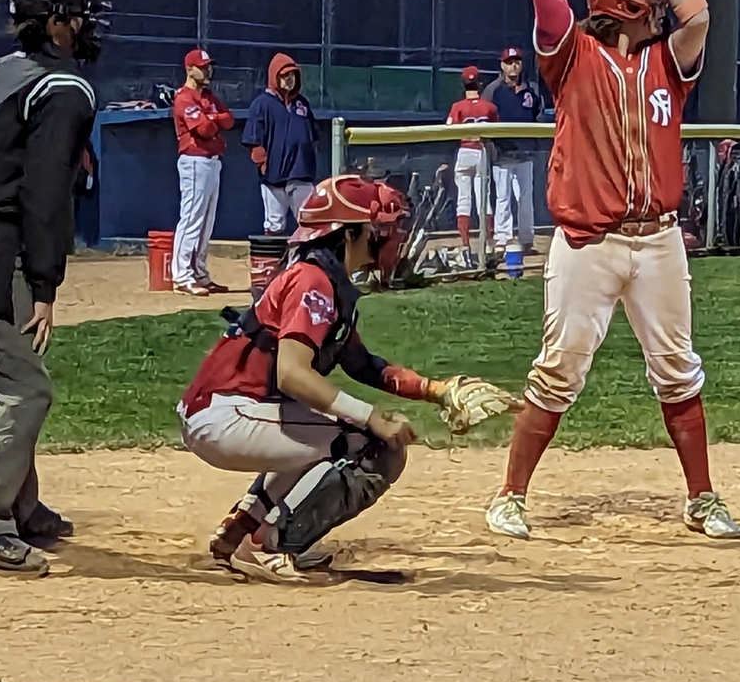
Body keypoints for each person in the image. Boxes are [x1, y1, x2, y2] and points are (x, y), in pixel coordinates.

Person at [485, 0, 740, 542]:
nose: (660, 8)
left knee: (678, 368)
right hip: (588, 243)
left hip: (657, 239)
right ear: (627, 4)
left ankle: (702, 498)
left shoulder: (666, 61)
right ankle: (510, 496)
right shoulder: (572, 55)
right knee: (559, 368)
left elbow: (699, 13)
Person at [177, 174, 521, 583]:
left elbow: (361, 364)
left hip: (232, 411)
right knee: (370, 443)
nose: (386, 236)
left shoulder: (324, 277)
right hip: (227, 416)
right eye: (377, 229)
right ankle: (270, 544)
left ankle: (239, 533)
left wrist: (436, 391)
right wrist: (371, 416)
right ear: (348, 234)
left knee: (332, 434)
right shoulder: (312, 280)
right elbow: (291, 373)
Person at [0, 0, 109, 575]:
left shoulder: (4, 71)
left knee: (2, 380)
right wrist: (44, 284)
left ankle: (20, 506)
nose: (86, 23)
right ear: (57, 24)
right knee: (22, 390)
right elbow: (45, 193)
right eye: (78, 13)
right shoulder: (63, 88)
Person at [170, 48, 235, 296]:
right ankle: (181, 275)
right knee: (191, 219)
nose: (208, 70)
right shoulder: (184, 98)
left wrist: (213, 116)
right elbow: (205, 130)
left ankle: (198, 272)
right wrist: (213, 119)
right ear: (190, 69)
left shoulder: (208, 96)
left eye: (209, 66)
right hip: (194, 162)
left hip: (212, 161)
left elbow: (228, 120)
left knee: (206, 222)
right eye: (203, 66)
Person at [242, 53, 318, 236]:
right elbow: (253, 139)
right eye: (284, 75)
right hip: (274, 177)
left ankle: (308, 262)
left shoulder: (302, 104)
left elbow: (313, 135)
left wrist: (310, 155)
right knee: (275, 224)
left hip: (301, 174)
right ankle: (273, 263)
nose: (289, 80)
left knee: (310, 221)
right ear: (274, 76)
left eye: (292, 75)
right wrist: (263, 163)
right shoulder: (261, 104)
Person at [482, 47, 542, 254]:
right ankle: (503, 237)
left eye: (516, 61)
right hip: (503, 152)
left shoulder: (531, 89)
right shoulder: (493, 90)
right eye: (509, 61)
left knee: (526, 198)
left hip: (526, 150)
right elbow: (484, 117)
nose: (513, 65)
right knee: (503, 197)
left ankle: (526, 239)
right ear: (502, 65)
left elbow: (538, 114)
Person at [446, 66, 498, 269]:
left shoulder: (458, 106)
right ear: (480, 83)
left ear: (463, 84)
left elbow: (448, 130)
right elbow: (497, 128)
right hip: (481, 150)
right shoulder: (489, 107)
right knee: (483, 200)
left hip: (464, 151)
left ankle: (465, 244)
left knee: (464, 199)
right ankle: (488, 245)